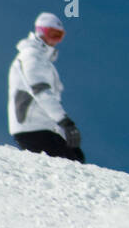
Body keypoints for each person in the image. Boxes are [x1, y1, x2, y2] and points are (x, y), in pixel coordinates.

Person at [7, 12, 85, 162]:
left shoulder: (44, 61)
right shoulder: (31, 56)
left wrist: (64, 131)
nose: (55, 40)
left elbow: (49, 101)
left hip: (44, 127)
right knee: (71, 166)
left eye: (59, 36)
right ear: (41, 32)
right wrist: (65, 122)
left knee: (77, 158)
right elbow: (40, 91)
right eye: (52, 34)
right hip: (31, 128)